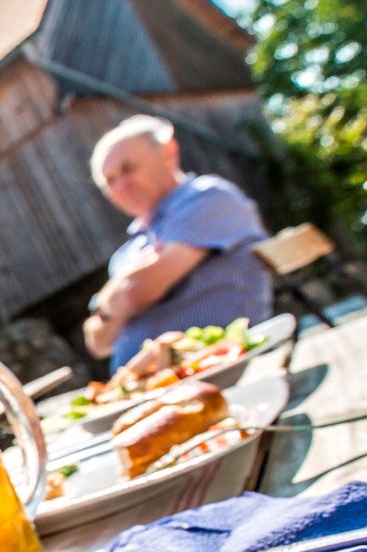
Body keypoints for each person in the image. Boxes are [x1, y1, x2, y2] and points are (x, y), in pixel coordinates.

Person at [81, 116, 272, 367]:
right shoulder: (127, 252)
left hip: (220, 366)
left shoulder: (208, 198)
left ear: (168, 152)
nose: (121, 186)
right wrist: (114, 296)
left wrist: (108, 302)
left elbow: (134, 294)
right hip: (149, 388)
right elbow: (97, 343)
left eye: (128, 169)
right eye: (110, 181)